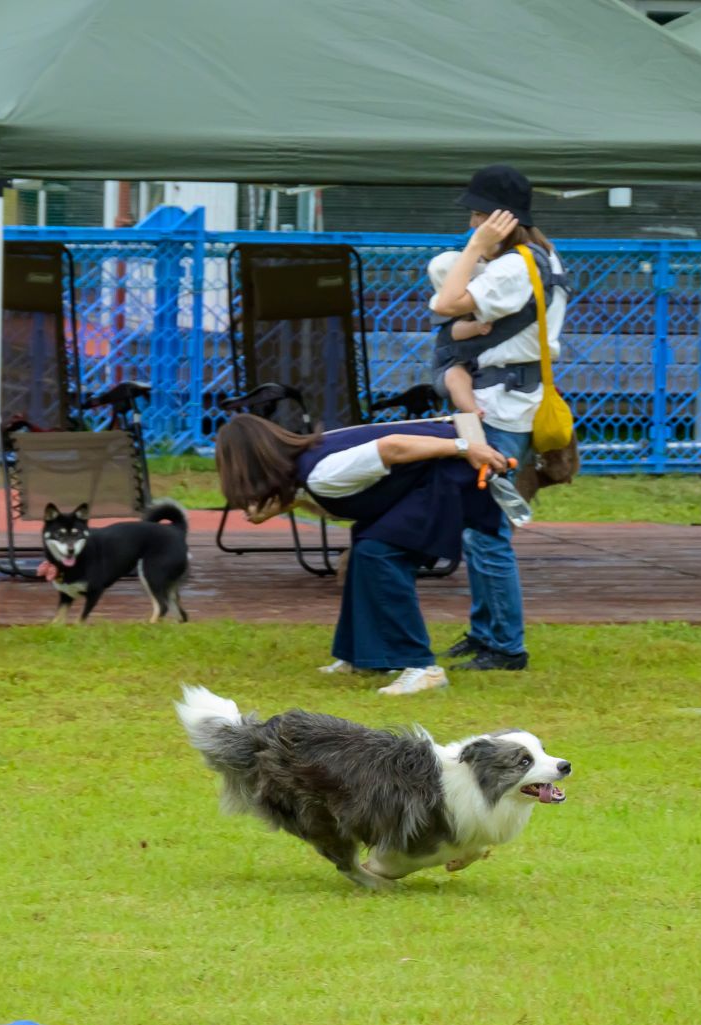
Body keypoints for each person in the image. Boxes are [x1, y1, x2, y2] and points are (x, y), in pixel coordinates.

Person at [217, 412, 509, 696]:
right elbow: (341, 496)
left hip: (455, 472)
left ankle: (421, 668)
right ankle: (364, 658)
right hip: (435, 473)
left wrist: (466, 448)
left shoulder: (322, 473)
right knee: (366, 550)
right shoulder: (310, 459)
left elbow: (391, 447)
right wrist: (280, 505)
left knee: (380, 552)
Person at [428, 164, 570, 675]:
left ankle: (505, 645)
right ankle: (486, 631)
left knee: (487, 530)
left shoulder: (515, 267)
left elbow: (445, 303)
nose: (472, 223)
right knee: (478, 525)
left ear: (500, 219)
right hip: (505, 400)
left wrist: (474, 248)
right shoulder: (541, 257)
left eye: (479, 215)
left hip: (504, 406)